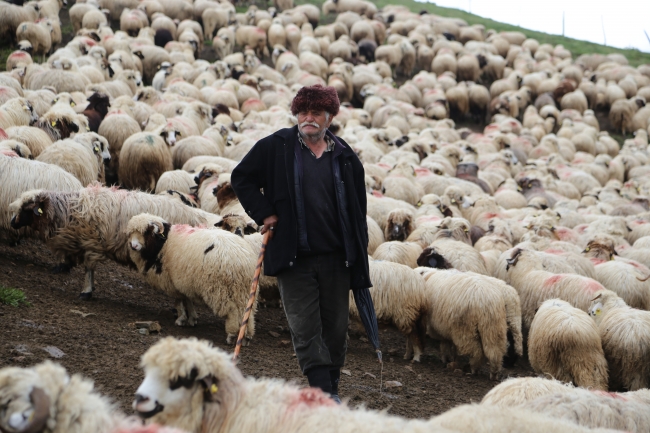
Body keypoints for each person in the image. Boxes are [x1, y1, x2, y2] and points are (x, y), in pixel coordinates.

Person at [231, 85, 372, 403]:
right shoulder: (276, 147)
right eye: (302, 112)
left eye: (315, 113)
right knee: (305, 326)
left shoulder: (346, 157)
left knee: (335, 329)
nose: (308, 118)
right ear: (296, 114)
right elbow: (242, 177)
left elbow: (357, 211)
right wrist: (264, 212)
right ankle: (323, 392)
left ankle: (331, 387)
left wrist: (358, 254)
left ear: (329, 117)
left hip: (337, 257)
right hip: (295, 255)